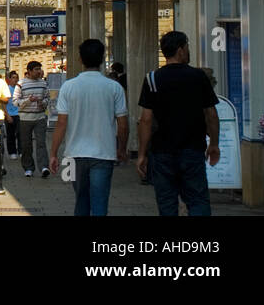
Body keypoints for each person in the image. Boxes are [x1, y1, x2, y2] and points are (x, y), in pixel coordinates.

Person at [136, 31, 220, 216]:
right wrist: (214, 143)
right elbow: (211, 114)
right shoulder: (198, 77)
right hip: (193, 149)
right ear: (181, 50)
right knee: (198, 199)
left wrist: (142, 154)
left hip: (162, 152)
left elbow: (146, 120)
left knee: (167, 202)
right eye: (187, 47)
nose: (188, 51)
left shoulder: (152, 79)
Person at [49, 39, 128, 216]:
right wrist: (122, 148)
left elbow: (61, 123)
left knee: (81, 201)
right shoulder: (114, 87)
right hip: (104, 153)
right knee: (100, 204)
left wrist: (53, 153)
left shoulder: (68, 87)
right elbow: (123, 124)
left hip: (75, 155)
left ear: (80, 59)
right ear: (102, 58)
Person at [14, 60, 51, 177]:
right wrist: (27, 100)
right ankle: (28, 168)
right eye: (36, 69)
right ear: (29, 71)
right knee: (26, 144)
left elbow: (47, 98)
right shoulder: (21, 84)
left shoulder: (43, 83)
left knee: (41, 143)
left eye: (39, 69)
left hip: (40, 117)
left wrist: (43, 103)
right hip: (25, 119)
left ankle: (44, 167)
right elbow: (15, 102)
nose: (39, 72)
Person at [4, 69, 21, 158]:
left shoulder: (19, 89)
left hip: (19, 114)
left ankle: (21, 151)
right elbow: (3, 104)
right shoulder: (6, 89)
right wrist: (7, 115)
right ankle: (12, 152)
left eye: (16, 78)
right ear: (9, 79)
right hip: (10, 114)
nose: (15, 79)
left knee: (20, 134)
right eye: (13, 78)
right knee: (10, 134)